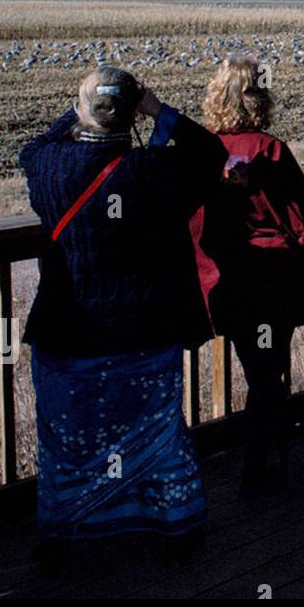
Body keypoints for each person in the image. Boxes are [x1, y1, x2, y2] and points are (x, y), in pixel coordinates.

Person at [20, 67, 226, 561]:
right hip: (145, 333)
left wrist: (76, 111)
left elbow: (29, 149)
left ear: (82, 112)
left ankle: (65, 531)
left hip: (69, 333)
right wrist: (156, 111)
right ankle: (172, 525)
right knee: (155, 435)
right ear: (132, 114)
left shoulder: (50, 166)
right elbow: (210, 153)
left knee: (69, 441)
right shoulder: (155, 171)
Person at [191, 54, 304, 497]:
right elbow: (301, 212)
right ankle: (274, 454)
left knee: (260, 371)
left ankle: (261, 465)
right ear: (258, 98)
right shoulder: (270, 148)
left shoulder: (202, 151)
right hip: (276, 275)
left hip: (231, 279)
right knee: (268, 371)